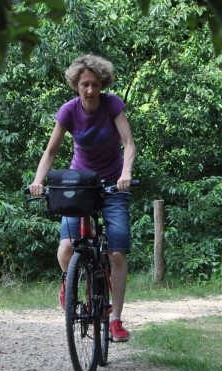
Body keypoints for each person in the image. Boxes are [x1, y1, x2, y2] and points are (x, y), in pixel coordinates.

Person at [29, 54, 137, 342]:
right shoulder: (69, 111)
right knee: (66, 248)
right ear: (76, 85)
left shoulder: (113, 105)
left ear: (103, 85)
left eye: (95, 85)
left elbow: (129, 143)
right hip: (80, 186)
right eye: (84, 84)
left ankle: (115, 319)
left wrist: (125, 173)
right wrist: (39, 181)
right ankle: (69, 282)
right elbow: (50, 152)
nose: (90, 90)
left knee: (116, 252)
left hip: (114, 185)